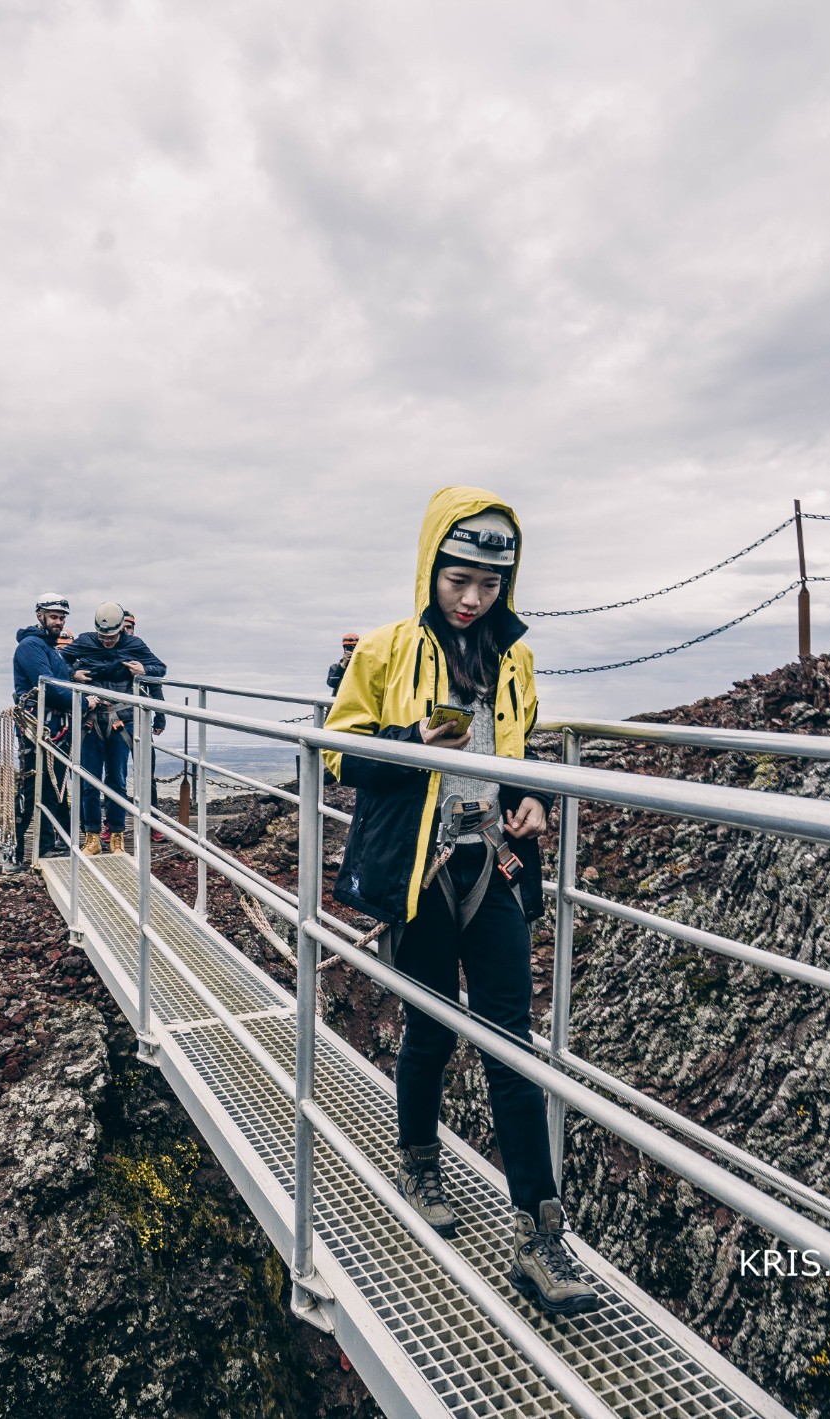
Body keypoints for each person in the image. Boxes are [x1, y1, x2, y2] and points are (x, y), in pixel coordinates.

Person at [323, 486, 598, 1316]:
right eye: (458, 579)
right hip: (420, 871)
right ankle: (419, 1159)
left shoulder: (514, 659)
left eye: (488, 582)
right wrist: (413, 744)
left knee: (512, 1045)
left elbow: (516, 752)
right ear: (431, 568)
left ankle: (539, 1236)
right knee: (432, 1027)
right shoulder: (384, 650)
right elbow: (340, 758)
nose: (473, 598)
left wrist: (532, 799)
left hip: (496, 865)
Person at [61, 601, 167, 855]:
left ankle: (117, 836)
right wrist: (73, 674)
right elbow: (57, 663)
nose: (106, 641)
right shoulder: (86, 642)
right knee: (89, 781)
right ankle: (92, 837)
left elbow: (159, 669)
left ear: (121, 629)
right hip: (91, 719)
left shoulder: (134, 645)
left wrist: (145, 670)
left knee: (117, 780)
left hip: (122, 719)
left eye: (111, 636)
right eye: (102, 636)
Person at [9, 593, 72, 865]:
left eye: (61, 618)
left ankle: (45, 847)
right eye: (54, 617)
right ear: (40, 616)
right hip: (37, 730)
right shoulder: (31, 646)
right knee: (30, 789)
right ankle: (13, 852)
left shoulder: (48, 648)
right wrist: (84, 701)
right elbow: (47, 685)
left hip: (53, 729)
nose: (58, 622)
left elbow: (59, 681)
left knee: (51, 789)